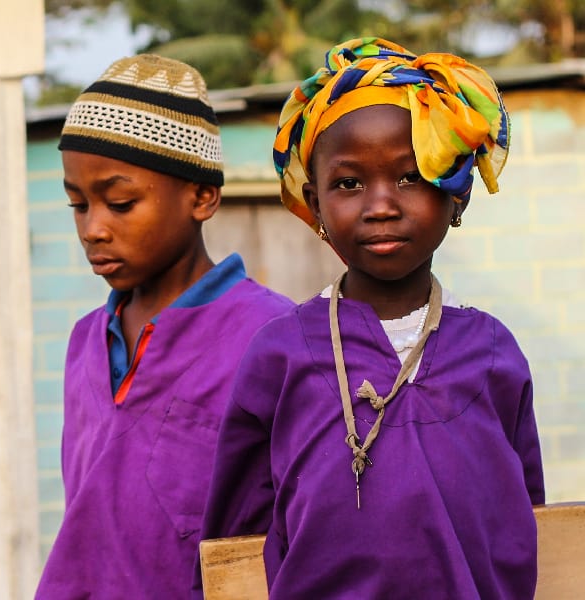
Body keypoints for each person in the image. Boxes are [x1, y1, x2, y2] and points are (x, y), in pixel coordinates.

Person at [196, 37, 545, 599]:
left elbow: (524, 527)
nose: (380, 204)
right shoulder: (280, 355)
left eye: (410, 177)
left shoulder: (493, 353)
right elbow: (231, 543)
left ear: (457, 197)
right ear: (315, 203)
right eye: (349, 183)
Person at [34, 54, 294, 599]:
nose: (93, 229)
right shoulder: (86, 340)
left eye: (120, 203)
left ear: (202, 196)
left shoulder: (273, 339)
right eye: (77, 205)